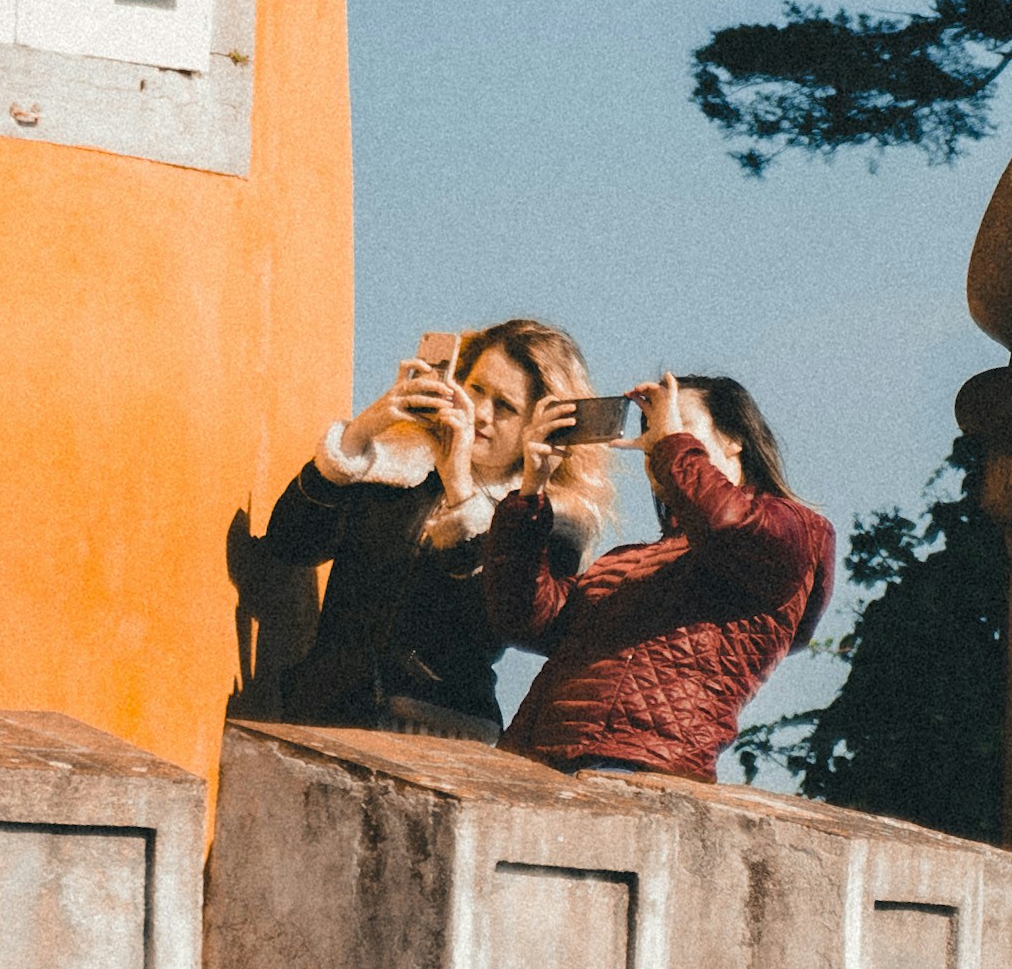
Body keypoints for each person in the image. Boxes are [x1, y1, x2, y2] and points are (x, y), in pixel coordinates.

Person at [253, 314, 605, 740]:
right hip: (326, 712)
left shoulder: (551, 518)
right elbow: (291, 545)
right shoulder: (399, 466)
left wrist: (460, 488)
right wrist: (358, 438)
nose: (481, 412)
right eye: (476, 389)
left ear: (542, 426)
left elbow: (496, 621)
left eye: (505, 406)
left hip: (442, 731)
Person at [482, 377, 833, 783]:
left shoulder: (797, 530)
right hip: (533, 761)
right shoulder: (627, 561)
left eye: (675, 421)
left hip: (635, 767)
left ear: (735, 438)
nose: (657, 437)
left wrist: (673, 443)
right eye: (651, 426)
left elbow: (726, 523)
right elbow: (524, 620)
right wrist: (531, 490)